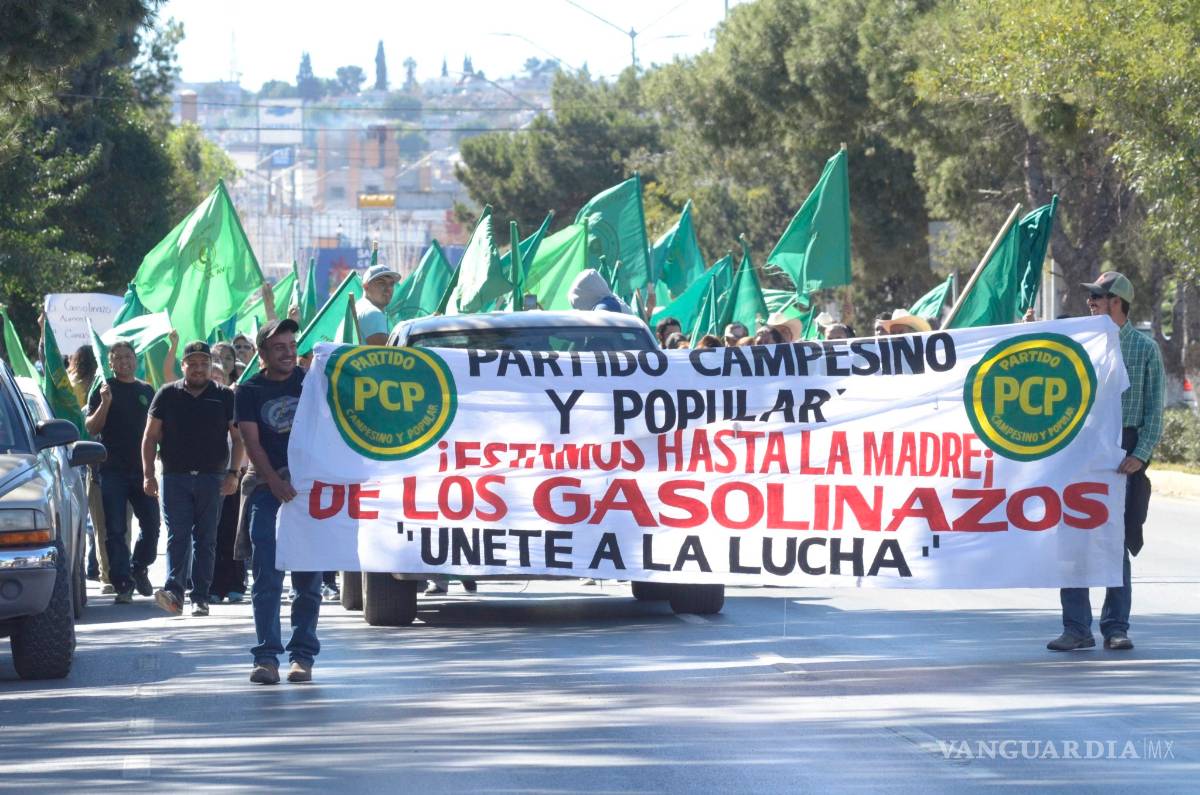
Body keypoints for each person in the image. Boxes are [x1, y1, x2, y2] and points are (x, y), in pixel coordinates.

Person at [1049, 271, 1164, 652]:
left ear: (1118, 302)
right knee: (1073, 537)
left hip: (1125, 450)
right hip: (1081, 448)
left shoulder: (1145, 349)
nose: (1091, 302)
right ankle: (1076, 627)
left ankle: (1116, 625)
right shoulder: (1078, 341)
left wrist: (1140, 454)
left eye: (1099, 296)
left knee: (1114, 541)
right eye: (1092, 296)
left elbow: (1154, 410)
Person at [236, 318, 321, 684]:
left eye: (292, 346)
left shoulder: (312, 382)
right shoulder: (248, 390)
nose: (288, 353)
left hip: (310, 488)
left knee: (308, 575)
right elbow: (252, 444)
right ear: (263, 354)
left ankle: (302, 656)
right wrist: (273, 481)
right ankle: (267, 656)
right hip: (266, 487)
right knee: (267, 573)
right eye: (279, 348)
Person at [144, 342, 243, 618]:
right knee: (177, 536)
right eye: (193, 363)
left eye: (204, 363)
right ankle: (174, 592)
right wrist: (148, 474)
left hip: (213, 478)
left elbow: (237, 438)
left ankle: (200, 597)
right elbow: (150, 436)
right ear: (183, 366)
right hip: (175, 478)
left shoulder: (224, 396)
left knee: (206, 539)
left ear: (210, 366)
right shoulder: (167, 394)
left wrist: (233, 473)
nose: (199, 368)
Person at [85, 341, 160, 604]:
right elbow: (92, 428)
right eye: (118, 358)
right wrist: (105, 403)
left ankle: (139, 566)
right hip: (112, 471)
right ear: (110, 363)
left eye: (128, 357)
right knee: (115, 530)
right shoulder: (103, 389)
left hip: (143, 470)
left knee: (152, 525)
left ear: (136, 359)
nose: (124, 362)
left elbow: (158, 427)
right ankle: (122, 582)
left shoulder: (146, 390)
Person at [359, 264, 401, 345]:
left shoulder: (361, 307)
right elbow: (387, 356)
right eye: (381, 283)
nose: (388, 288)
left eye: (391, 284)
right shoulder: (372, 313)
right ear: (366, 287)